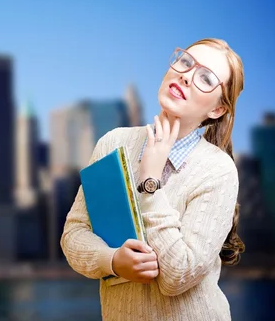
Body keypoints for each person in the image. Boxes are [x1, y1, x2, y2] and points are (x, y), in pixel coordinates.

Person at [60, 38, 245, 321]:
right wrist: (113, 261)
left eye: (205, 78)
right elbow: (73, 235)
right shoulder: (113, 143)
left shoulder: (218, 171)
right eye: (185, 62)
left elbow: (177, 276)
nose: (185, 75)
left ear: (217, 110)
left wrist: (150, 181)